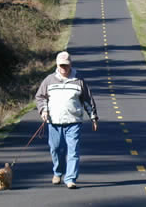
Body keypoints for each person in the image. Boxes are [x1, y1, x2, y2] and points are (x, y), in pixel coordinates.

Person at [35, 51, 98, 189]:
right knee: (56, 149)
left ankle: (70, 178)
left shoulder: (79, 79)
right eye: (61, 65)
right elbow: (40, 97)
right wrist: (44, 110)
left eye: (66, 65)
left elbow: (87, 100)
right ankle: (57, 173)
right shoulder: (49, 80)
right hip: (54, 121)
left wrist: (93, 117)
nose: (64, 68)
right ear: (57, 65)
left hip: (74, 121)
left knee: (73, 150)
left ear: (71, 65)